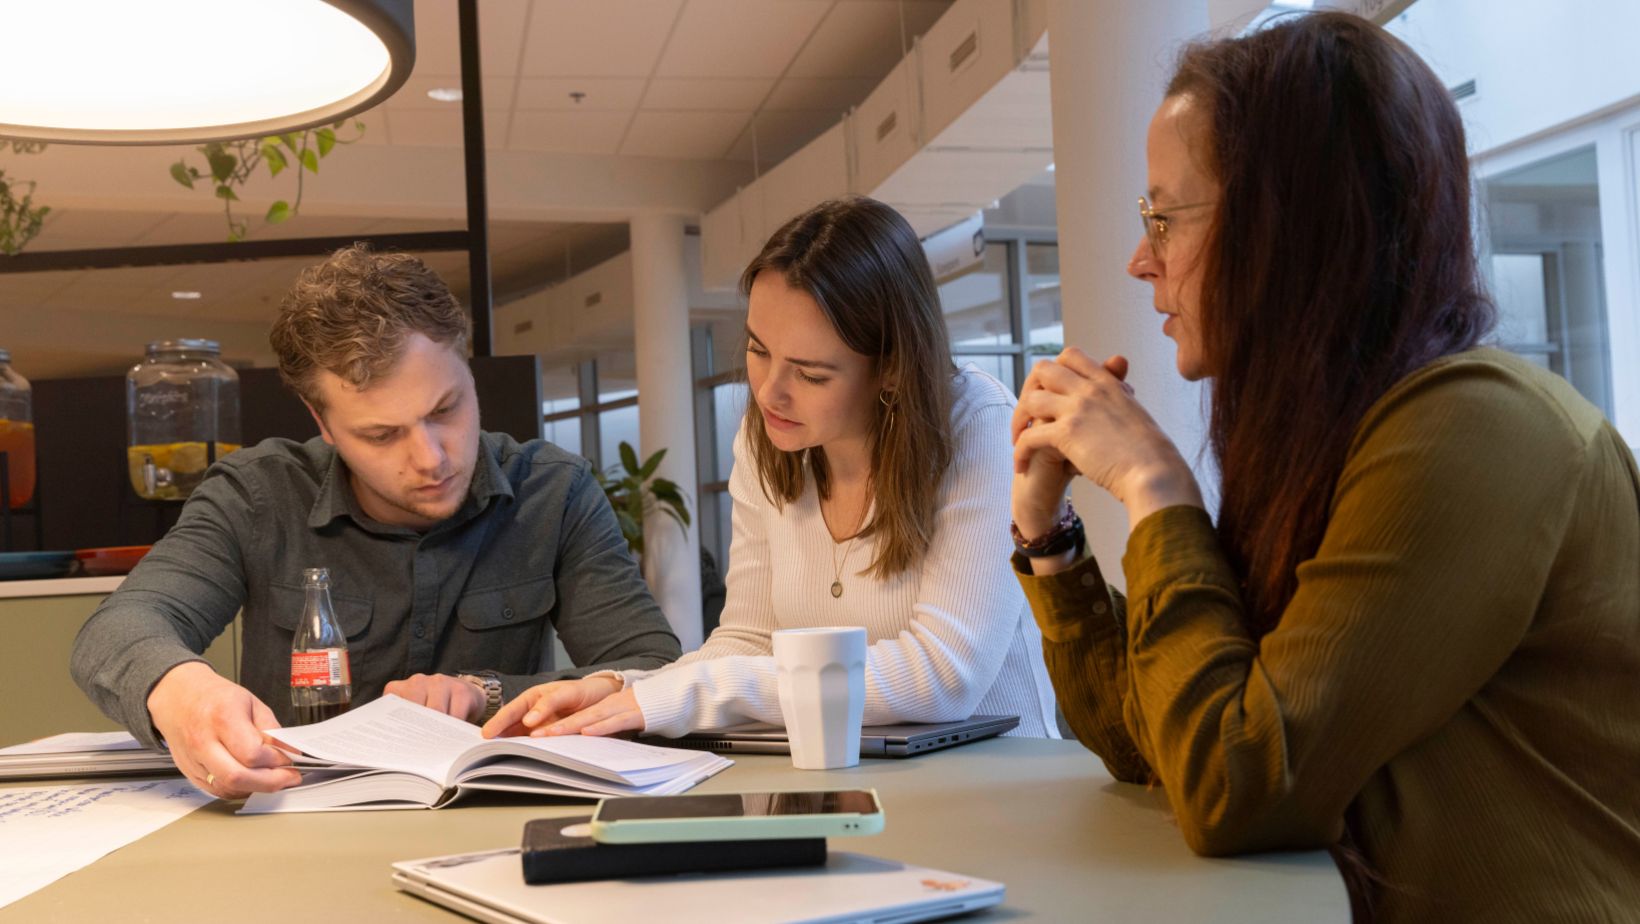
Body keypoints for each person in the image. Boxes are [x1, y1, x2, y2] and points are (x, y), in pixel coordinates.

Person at [1008, 12, 1640, 922]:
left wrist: (1155, 491)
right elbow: (1157, 745)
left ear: (1288, 225)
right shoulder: (1348, 436)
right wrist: (1052, 539)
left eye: (1164, 216)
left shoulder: (1473, 427)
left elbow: (1238, 784)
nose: (1142, 259)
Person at [70, 244, 681, 799]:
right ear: (324, 422)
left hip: (493, 821)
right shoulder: (258, 496)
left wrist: (485, 690)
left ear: (467, 373)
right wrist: (182, 691)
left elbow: (649, 667)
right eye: (381, 434)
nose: (432, 458)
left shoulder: (554, 492)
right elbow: (118, 628)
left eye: (446, 409)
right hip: (293, 829)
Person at [484, 196, 1059, 740]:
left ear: (891, 369)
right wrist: (622, 690)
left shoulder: (977, 426)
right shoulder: (768, 440)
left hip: (995, 786)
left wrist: (682, 695)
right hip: (856, 781)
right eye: (759, 350)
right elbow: (748, 639)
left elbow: (943, 675)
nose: (769, 394)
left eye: (810, 374)